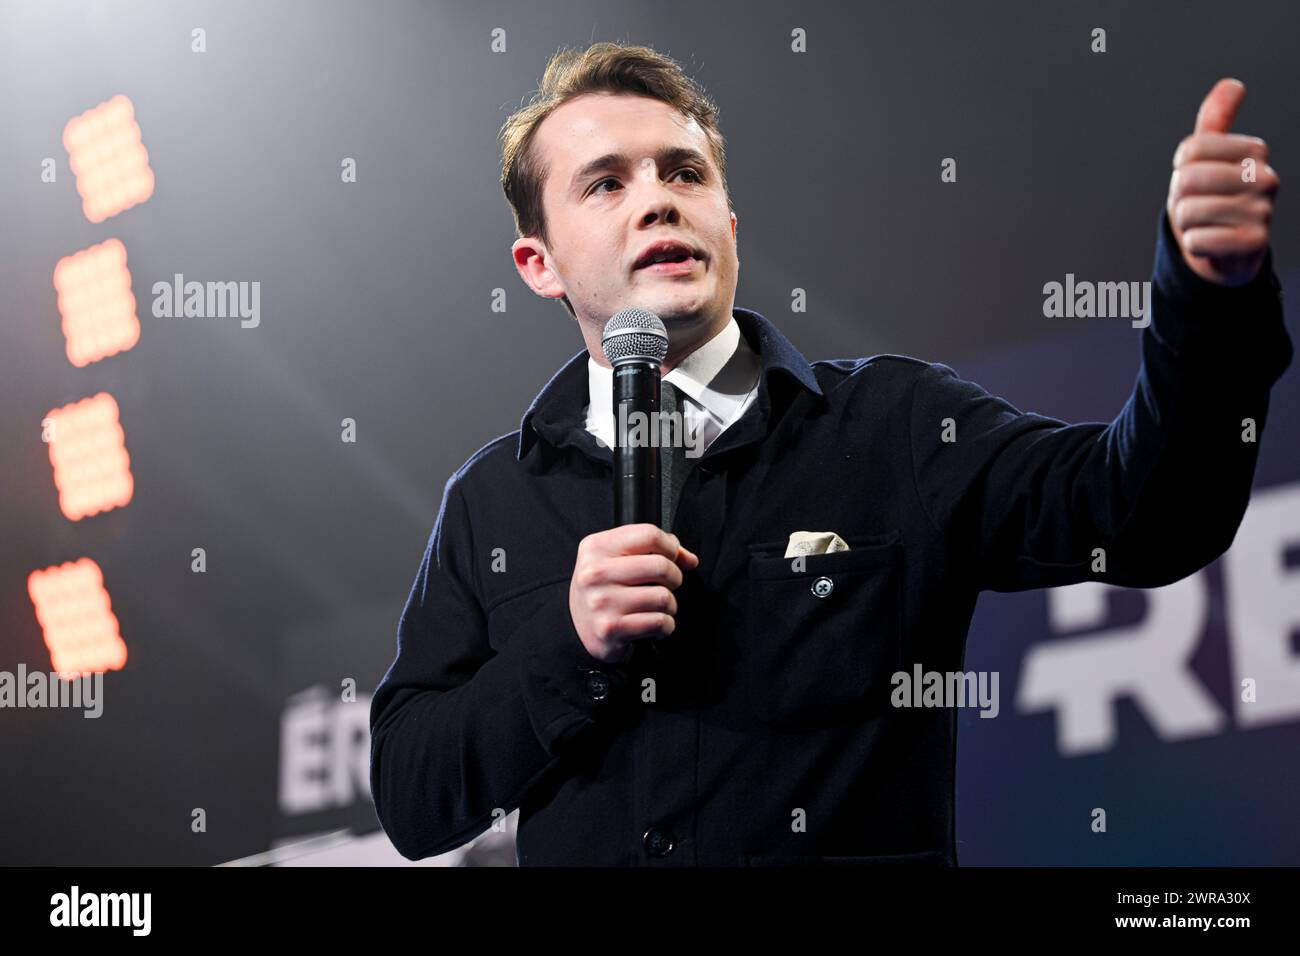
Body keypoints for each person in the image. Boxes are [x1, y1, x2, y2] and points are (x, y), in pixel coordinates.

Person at [369, 43, 1289, 865]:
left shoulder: (894, 423)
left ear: (729, 226)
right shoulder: (493, 498)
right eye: (605, 184)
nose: (657, 197)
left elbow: (1147, 515)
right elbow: (415, 804)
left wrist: (1205, 294)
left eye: (684, 173)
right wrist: (567, 645)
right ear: (540, 264)